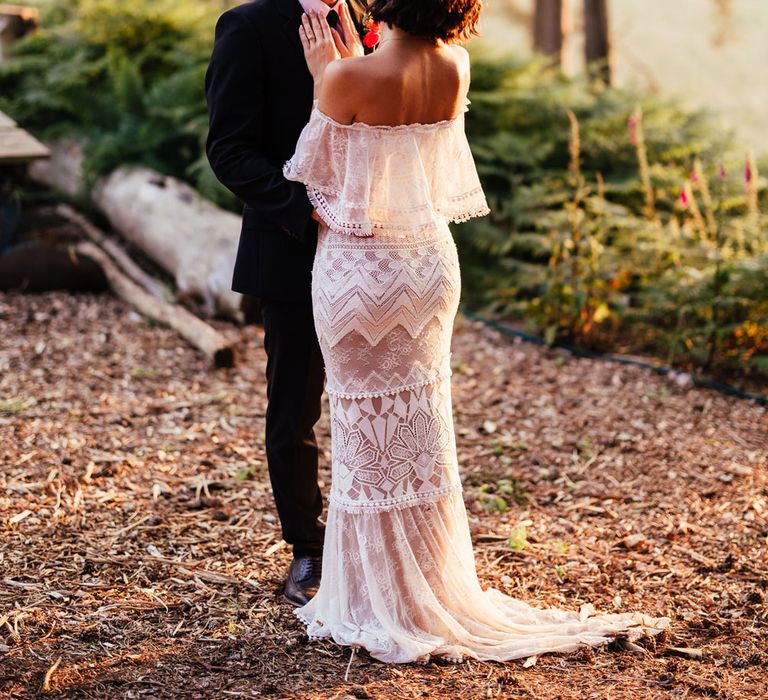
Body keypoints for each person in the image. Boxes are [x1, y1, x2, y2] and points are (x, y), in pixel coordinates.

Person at [281, 0, 672, 664]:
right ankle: (427, 584)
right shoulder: (455, 66)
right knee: (422, 432)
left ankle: (375, 597)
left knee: (360, 429)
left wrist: (328, 74)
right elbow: (424, 179)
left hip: (359, 271)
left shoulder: (344, 80)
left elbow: (326, 196)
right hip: (428, 268)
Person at [204, 0, 366, 607]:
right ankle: (309, 549)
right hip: (294, 247)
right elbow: (229, 149)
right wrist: (307, 209)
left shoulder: (375, 18)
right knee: (295, 407)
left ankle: (370, 537)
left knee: (376, 401)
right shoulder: (247, 26)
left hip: (377, 251)